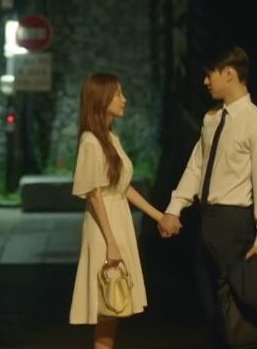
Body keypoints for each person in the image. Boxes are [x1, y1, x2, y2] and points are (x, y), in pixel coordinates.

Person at [157, 46, 257, 348]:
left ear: (229, 74)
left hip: (235, 223)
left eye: (210, 74)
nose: (205, 81)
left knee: (236, 312)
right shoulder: (211, 119)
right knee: (210, 307)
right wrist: (175, 208)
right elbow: (197, 165)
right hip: (207, 220)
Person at [69, 73, 167, 349]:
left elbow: (122, 187)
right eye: (117, 94)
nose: (124, 100)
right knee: (108, 303)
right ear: (101, 99)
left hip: (118, 221)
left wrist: (158, 216)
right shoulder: (91, 141)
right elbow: (95, 194)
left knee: (113, 307)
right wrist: (111, 242)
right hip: (105, 228)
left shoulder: (110, 137)